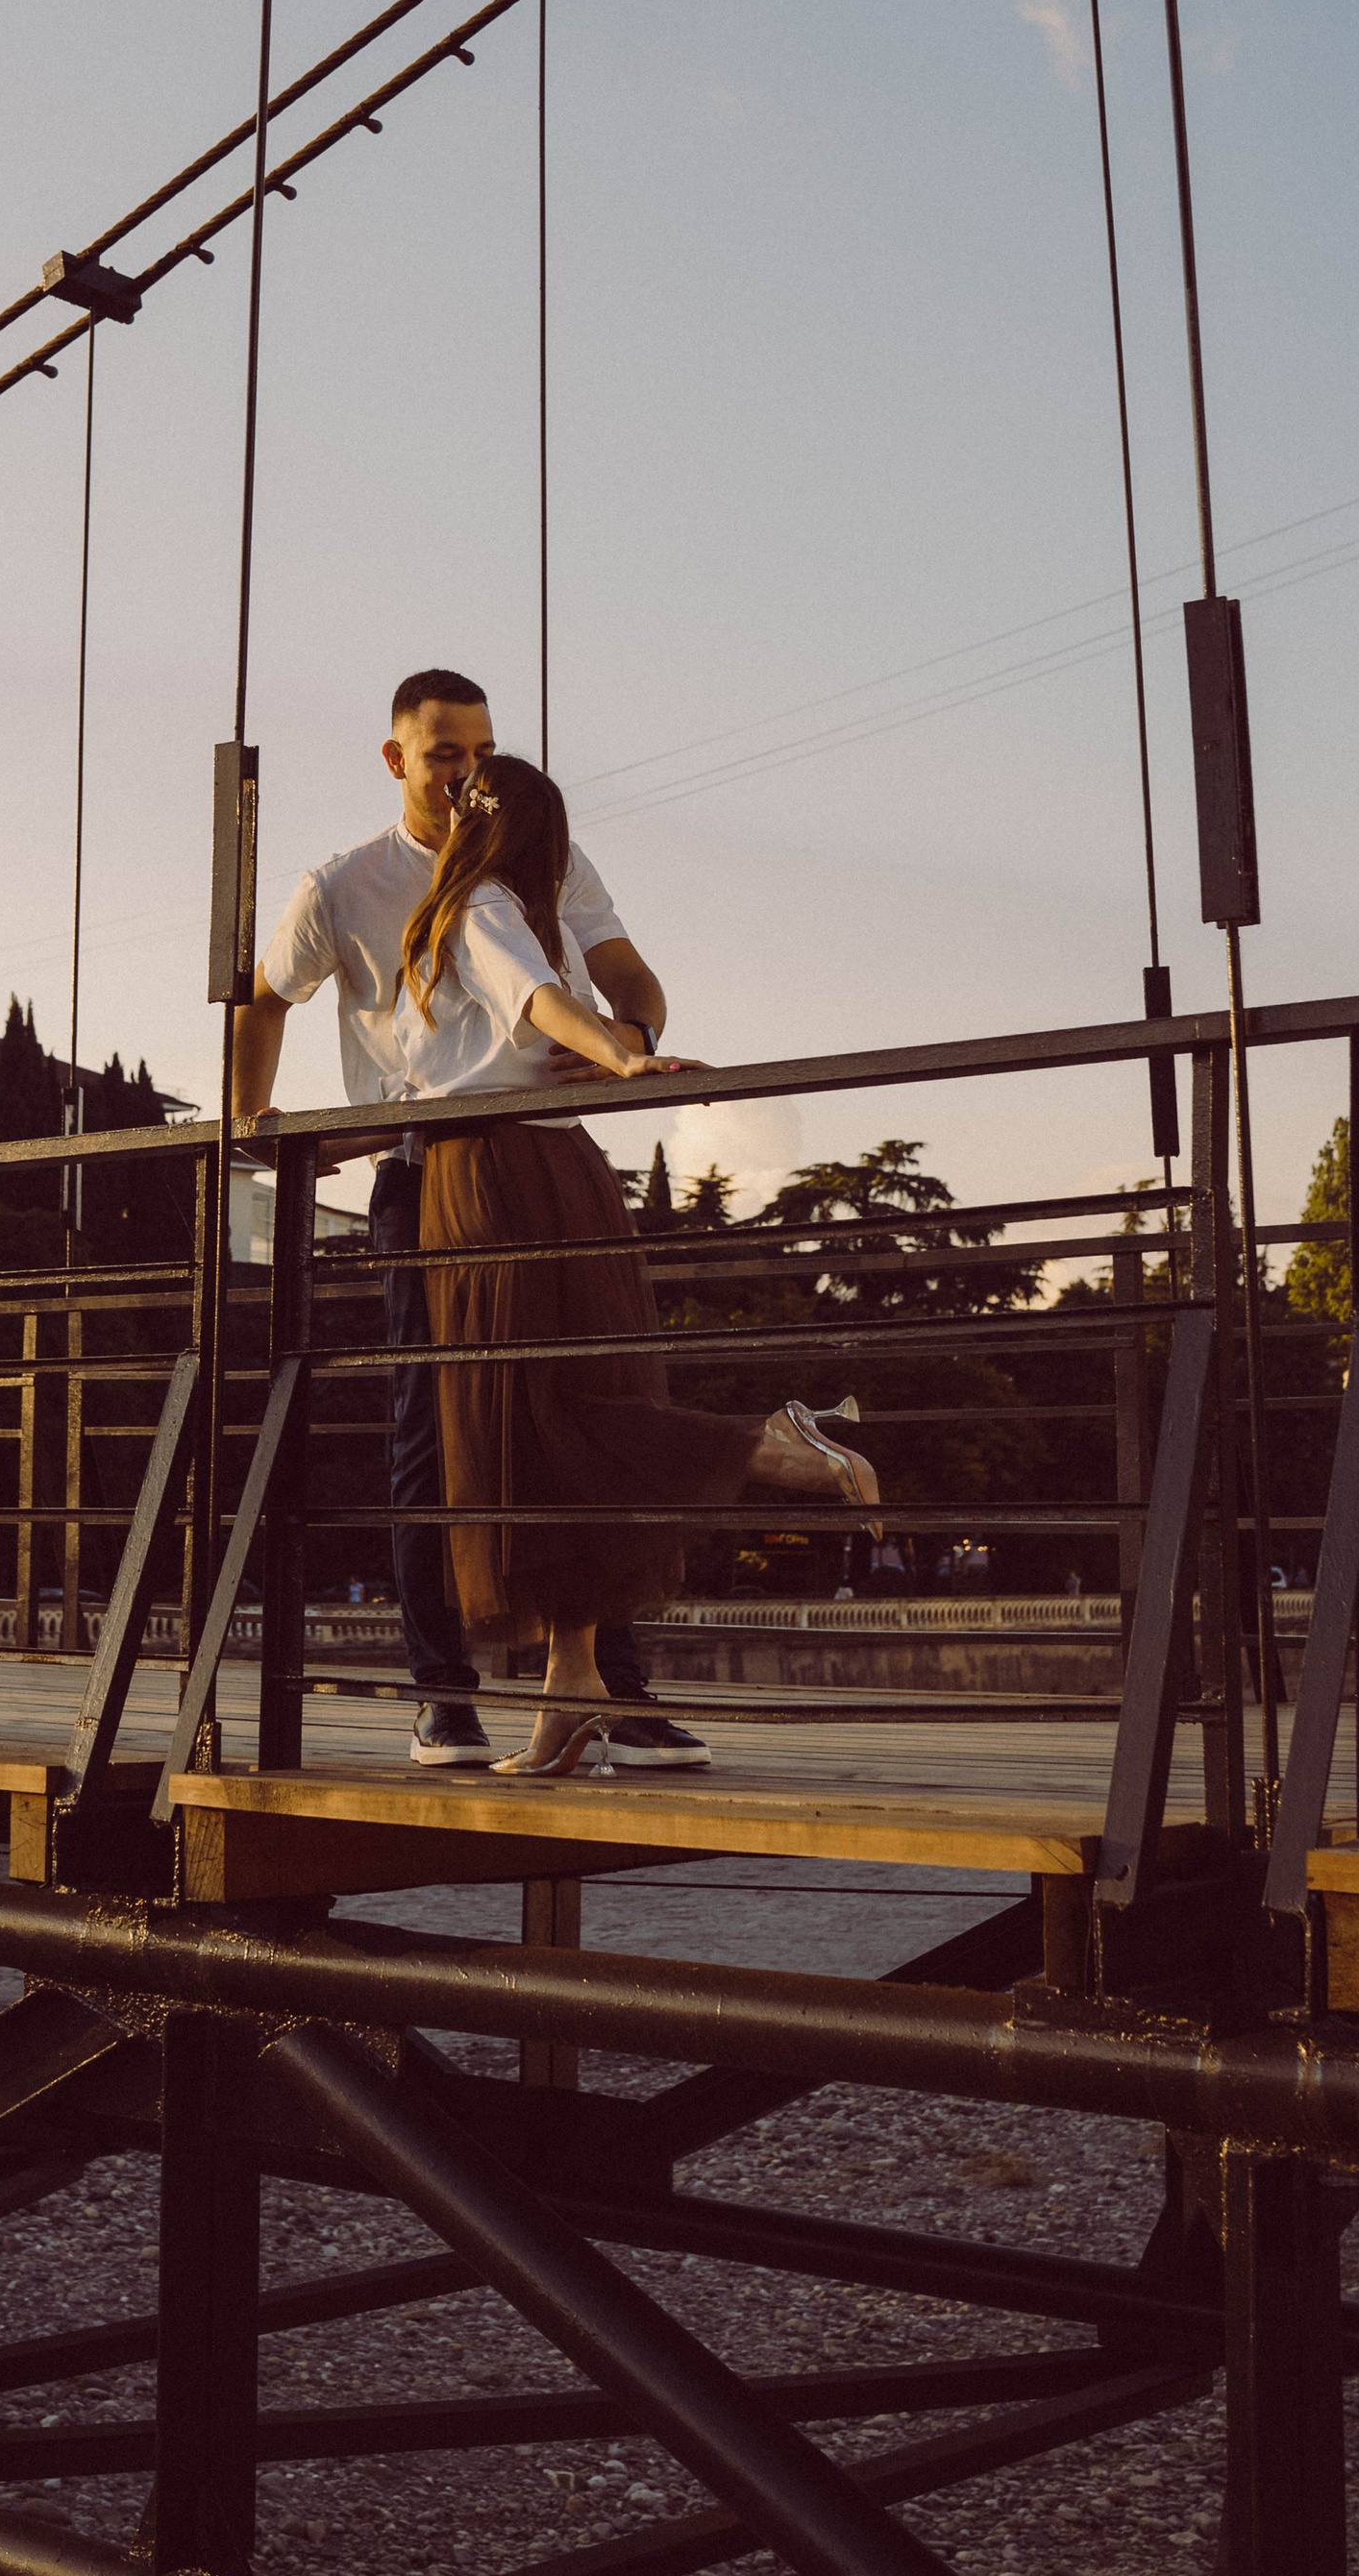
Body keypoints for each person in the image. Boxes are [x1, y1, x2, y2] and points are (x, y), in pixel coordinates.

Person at [235, 666, 711, 1770]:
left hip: (545, 1154)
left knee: (588, 1411)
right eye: (445, 753)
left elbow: (624, 975)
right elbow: (263, 999)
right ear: (396, 758)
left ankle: (612, 1690)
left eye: (481, 752)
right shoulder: (343, 884)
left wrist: (631, 1040)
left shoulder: (535, 854)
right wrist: (251, 1126)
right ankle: (442, 1697)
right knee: (431, 1431)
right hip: (425, 1176)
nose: (465, 773)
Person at [400, 753, 877, 1774]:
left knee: (529, 1420)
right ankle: (569, 1691)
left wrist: (623, 1055)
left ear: (471, 826)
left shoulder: (475, 908)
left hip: (490, 1176)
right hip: (564, 1167)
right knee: (562, 1417)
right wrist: (624, 1044)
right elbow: (539, 1021)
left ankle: (767, 1446)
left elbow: (533, 1007)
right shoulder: (543, 921)